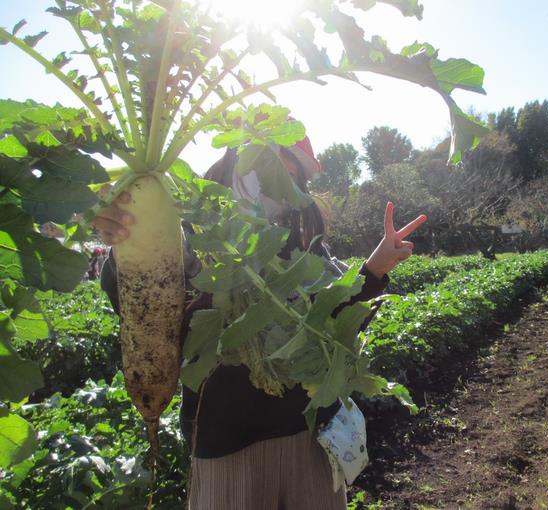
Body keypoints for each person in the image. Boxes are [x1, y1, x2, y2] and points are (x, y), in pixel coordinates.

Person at [96, 135, 426, 509]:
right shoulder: (195, 239)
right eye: (270, 167)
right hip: (226, 449)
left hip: (307, 437)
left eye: (290, 175)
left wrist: (373, 271)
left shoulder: (305, 247)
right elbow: (144, 302)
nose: (275, 186)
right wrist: (129, 238)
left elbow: (335, 325)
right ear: (236, 165)